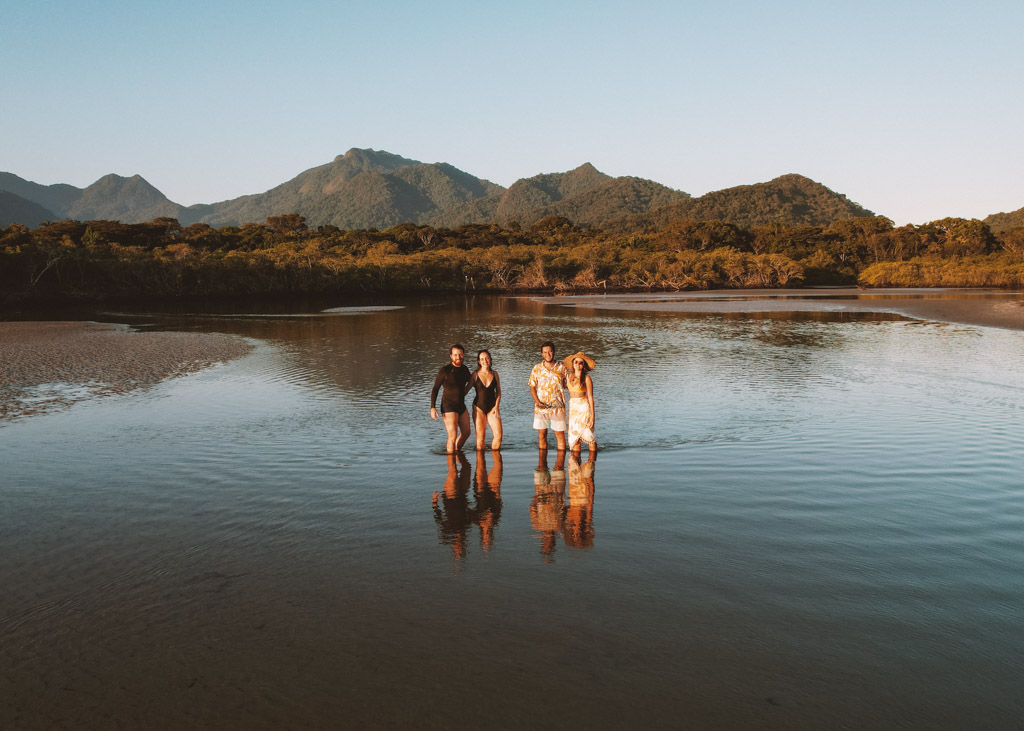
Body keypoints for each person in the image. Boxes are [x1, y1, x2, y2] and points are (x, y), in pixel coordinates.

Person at [430, 343, 471, 453]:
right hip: (448, 406)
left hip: (461, 406)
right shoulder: (445, 370)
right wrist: (432, 407)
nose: (458, 357)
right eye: (456, 354)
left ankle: (456, 451)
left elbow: (472, 382)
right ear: (451, 356)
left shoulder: (465, 369)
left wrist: (465, 392)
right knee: (452, 434)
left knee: (467, 432)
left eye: (461, 354)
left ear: (463, 355)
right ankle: (451, 465)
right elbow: (435, 389)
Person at [529, 341, 567, 450]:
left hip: (558, 407)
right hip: (541, 407)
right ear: (542, 354)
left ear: (554, 352)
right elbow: (532, 387)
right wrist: (537, 401)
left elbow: (568, 385)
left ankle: (560, 464)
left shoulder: (561, 368)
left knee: (560, 435)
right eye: (545, 352)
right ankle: (542, 464)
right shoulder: (537, 368)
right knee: (542, 434)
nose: (548, 354)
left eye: (550, 351)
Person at [468, 349, 502, 451]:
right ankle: (480, 465)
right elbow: (465, 390)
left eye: (487, 358)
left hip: (493, 408)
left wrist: (496, 406)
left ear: (490, 360)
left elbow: (499, 391)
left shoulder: (495, 374)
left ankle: (496, 461)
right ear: (478, 361)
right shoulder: (475, 375)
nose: (485, 361)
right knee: (480, 439)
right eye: (482, 359)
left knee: (498, 436)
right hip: (478, 408)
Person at [563, 351, 597, 454]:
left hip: (583, 408)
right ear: (573, 364)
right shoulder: (568, 377)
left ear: (583, 365)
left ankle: (592, 461)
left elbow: (590, 397)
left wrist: (592, 416)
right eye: (576, 362)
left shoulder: (587, 379)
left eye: (580, 363)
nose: (578, 364)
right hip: (573, 409)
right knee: (575, 438)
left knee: (589, 435)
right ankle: (575, 466)